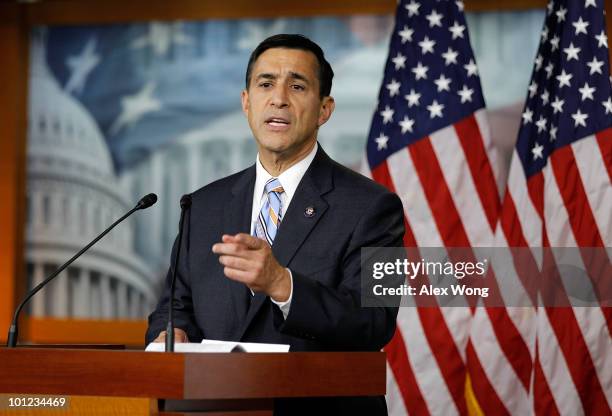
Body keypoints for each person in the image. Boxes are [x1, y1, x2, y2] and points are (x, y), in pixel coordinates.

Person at [146, 34, 405, 415]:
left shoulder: (375, 206)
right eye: (265, 84)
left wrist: (283, 285)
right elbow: (174, 306)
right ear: (246, 102)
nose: (279, 97)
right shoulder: (203, 205)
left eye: (297, 86)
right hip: (216, 406)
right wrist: (170, 335)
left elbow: (375, 320)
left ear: (324, 109)